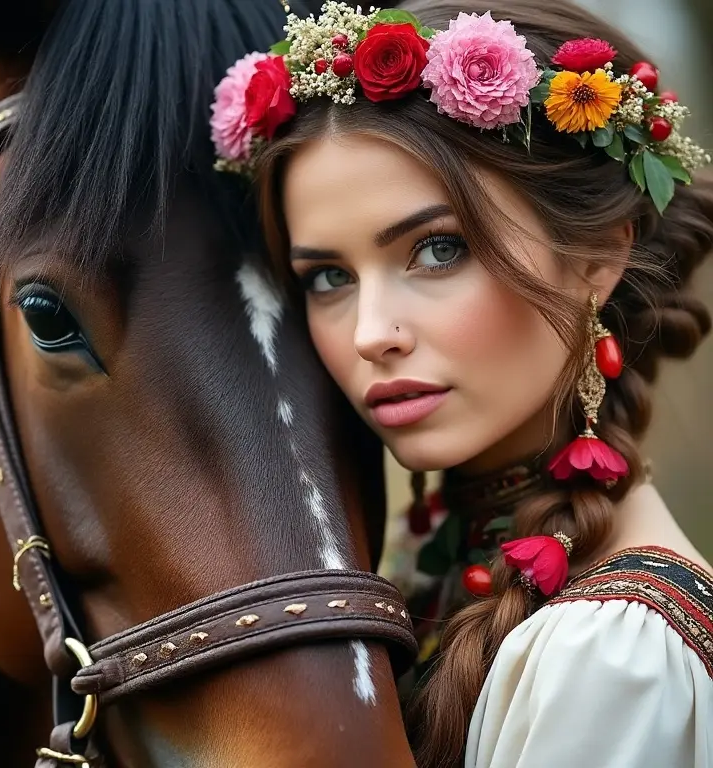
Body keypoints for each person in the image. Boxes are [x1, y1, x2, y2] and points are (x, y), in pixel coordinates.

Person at [211, 1, 713, 766]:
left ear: (598, 257)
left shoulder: (612, 659)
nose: (370, 331)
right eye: (327, 277)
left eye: (437, 250)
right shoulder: (433, 583)